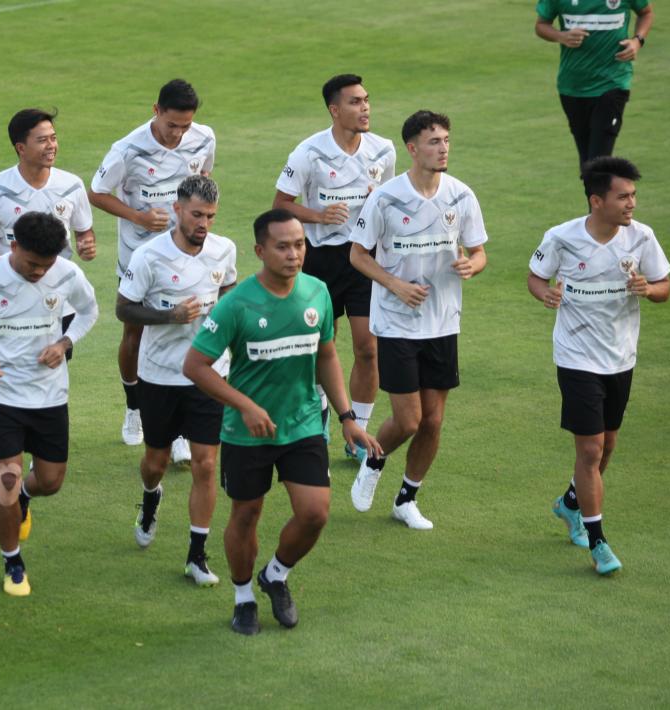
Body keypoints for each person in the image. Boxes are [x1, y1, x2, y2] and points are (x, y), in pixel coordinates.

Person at [185, 209, 380, 635]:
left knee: (315, 513)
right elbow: (195, 366)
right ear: (259, 251)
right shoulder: (236, 304)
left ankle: (275, 574)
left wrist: (347, 416)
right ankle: (243, 598)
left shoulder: (317, 293)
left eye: (300, 245)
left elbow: (326, 354)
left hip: (304, 423)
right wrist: (246, 407)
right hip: (247, 432)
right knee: (246, 514)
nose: (294, 254)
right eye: (283, 246)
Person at [527, 156, 669, 575]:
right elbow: (535, 276)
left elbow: (665, 287)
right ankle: (598, 542)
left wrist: (649, 288)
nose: (632, 204)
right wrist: (545, 294)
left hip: (620, 357)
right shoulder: (561, 238)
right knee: (589, 449)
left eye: (634, 196)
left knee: (607, 446)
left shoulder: (641, 239)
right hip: (575, 357)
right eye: (623, 196)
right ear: (596, 201)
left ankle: (571, 504)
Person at [0, 211, 99, 597]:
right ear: (13, 246)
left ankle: (26, 499)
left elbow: (89, 310)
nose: (39, 273)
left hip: (50, 395)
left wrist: (64, 344)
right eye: (32, 264)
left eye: (45, 266)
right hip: (3, 395)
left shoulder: (66, 273)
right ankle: (13, 560)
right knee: (7, 481)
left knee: (50, 481)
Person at [348, 111, 488, 530]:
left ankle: (407, 498)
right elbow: (357, 255)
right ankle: (373, 463)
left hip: (443, 322)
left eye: (446, 140)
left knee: (433, 421)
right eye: (433, 142)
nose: (443, 148)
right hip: (396, 321)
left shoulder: (461, 196)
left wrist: (472, 266)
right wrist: (394, 284)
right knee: (408, 420)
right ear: (412, 148)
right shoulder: (386, 198)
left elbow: (478, 250)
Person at [115, 175, 236, 585]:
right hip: (161, 375)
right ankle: (151, 498)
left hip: (207, 373)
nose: (204, 223)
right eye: (198, 214)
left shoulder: (224, 250)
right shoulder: (149, 257)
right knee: (156, 463)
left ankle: (196, 556)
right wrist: (170, 317)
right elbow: (124, 309)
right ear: (178, 210)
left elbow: (230, 296)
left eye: (211, 216)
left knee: (205, 464)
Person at [273, 74, 396, 461]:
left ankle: (356, 433)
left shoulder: (384, 150)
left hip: (362, 258)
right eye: (356, 102)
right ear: (334, 109)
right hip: (320, 260)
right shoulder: (309, 153)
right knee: (318, 345)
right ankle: (322, 414)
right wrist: (318, 215)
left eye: (366, 100)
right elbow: (280, 204)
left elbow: (387, 203)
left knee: (368, 348)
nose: (365, 108)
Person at [90, 78, 216, 455]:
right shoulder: (127, 150)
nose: (178, 133)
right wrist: (138, 218)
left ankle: (177, 429)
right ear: (155, 110)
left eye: (185, 126)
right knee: (136, 332)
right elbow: (96, 192)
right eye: (171, 124)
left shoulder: (205, 138)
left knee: (183, 328)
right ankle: (134, 407)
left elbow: (203, 180)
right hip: (138, 255)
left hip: (186, 253)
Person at [0, 108, 96, 264]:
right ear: (21, 148)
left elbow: (84, 231)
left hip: (58, 285)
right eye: (42, 140)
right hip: (11, 286)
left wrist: (86, 245)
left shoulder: (72, 185)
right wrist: (8, 265)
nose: (51, 146)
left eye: (53, 138)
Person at [535, 0, 654, 168]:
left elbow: (646, 13)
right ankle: (599, 193)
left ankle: (617, 193)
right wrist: (562, 36)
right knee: (588, 166)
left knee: (598, 163)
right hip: (572, 86)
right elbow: (541, 25)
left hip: (612, 83)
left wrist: (638, 40)